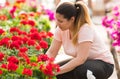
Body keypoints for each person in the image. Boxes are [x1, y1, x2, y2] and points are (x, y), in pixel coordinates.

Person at [46, 1, 114, 79]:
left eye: (61, 21)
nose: (57, 23)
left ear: (72, 19)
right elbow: (51, 52)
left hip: (103, 64)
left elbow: (81, 59)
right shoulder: (60, 29)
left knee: (82, 71)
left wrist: (57, 71)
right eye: (56, 20)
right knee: (57, 72)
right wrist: (46, 66)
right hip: (84, 63)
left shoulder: (85, 29)